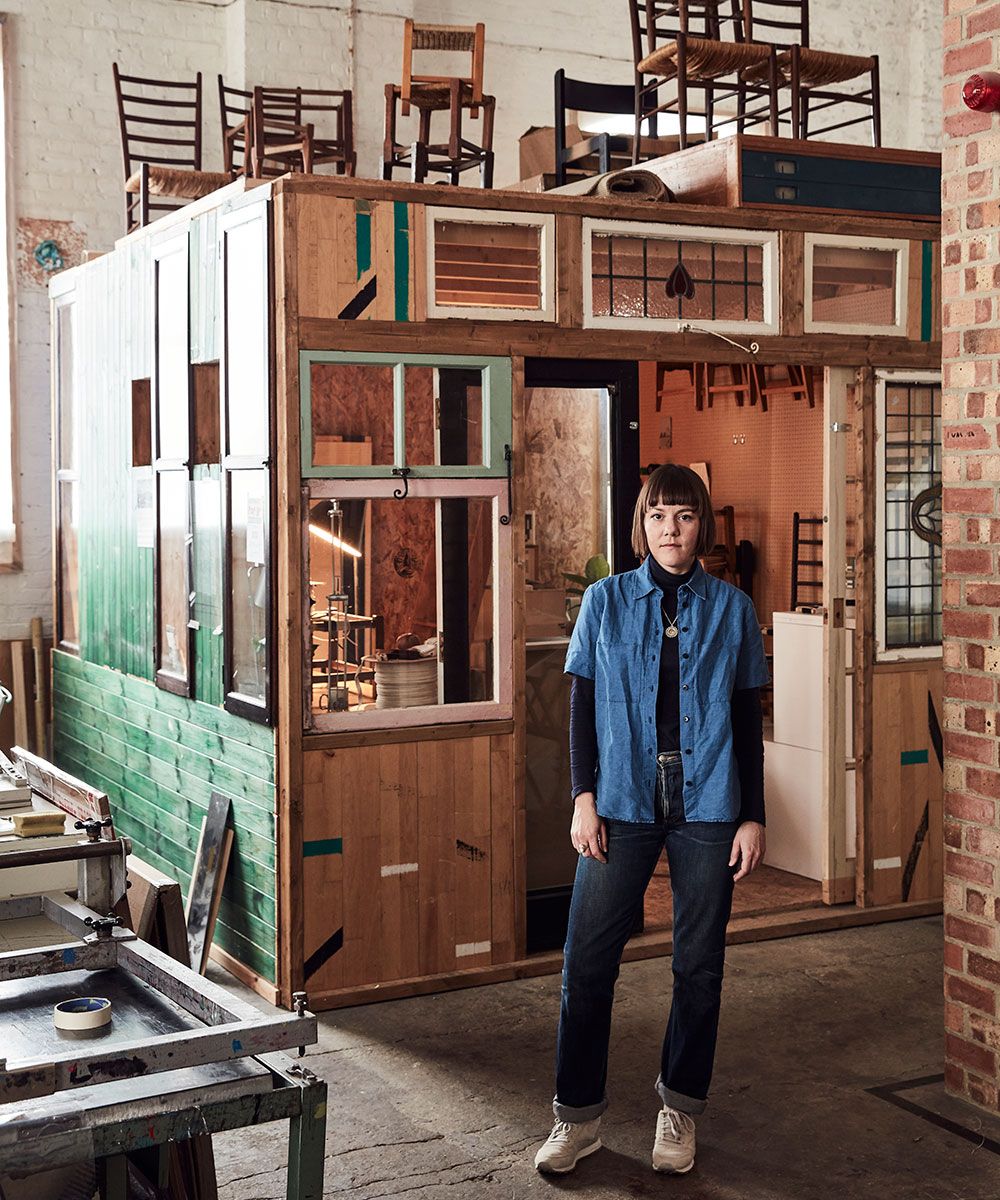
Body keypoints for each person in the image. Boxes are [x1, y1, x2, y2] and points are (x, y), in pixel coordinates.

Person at [533, 463, 769, 1176]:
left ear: (703, 527)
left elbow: (741, 714)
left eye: (686, 516)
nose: (672, 529)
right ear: (642, 525)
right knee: (587, 966)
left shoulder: (731, 608)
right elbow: (580, 704)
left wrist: (751, 817)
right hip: (621, 800)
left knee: (699, 967)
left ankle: (679, 1110)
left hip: (709, 803)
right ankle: (577, 1121)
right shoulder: (604, 603)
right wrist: (582, 798)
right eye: (659, 515)